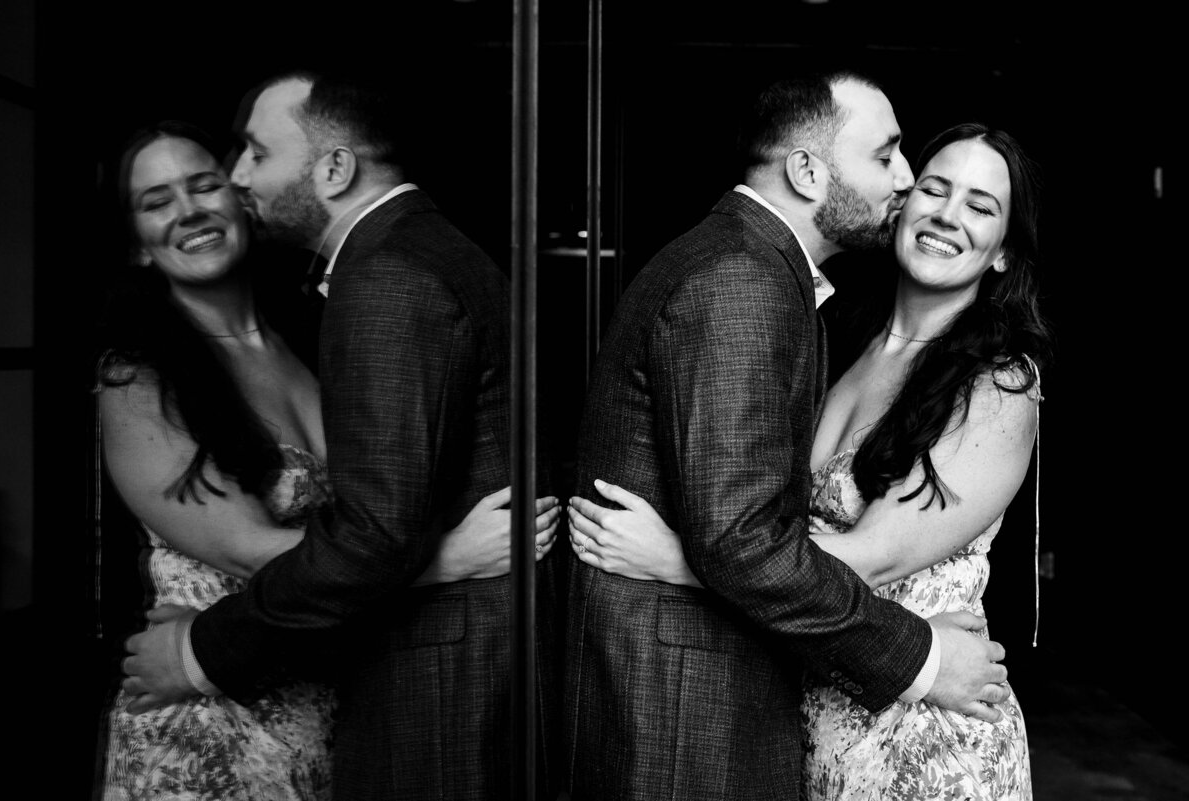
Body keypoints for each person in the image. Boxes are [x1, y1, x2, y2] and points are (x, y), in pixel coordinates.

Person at [562, 71, 1014, 801]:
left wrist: (678, 557)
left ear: (1003, 251)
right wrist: (922, 655)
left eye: (980, 204)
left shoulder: (986, 375)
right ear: (808, 172)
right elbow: (743, 543)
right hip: (697, 698)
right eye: (892, 159)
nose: (905, 183)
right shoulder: (750, 283)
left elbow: (798, 547)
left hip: (916, 722)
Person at [116, 72, 562, 800]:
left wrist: (206, 650)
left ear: (333, 168)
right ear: (134, 240)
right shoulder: (139, 376)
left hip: (341, 684)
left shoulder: (360, 294)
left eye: (242, 162)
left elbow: (375, 532)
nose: (231, 180)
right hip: (221, 716)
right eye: (155, 200)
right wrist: (442, 559)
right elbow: (249, 547)